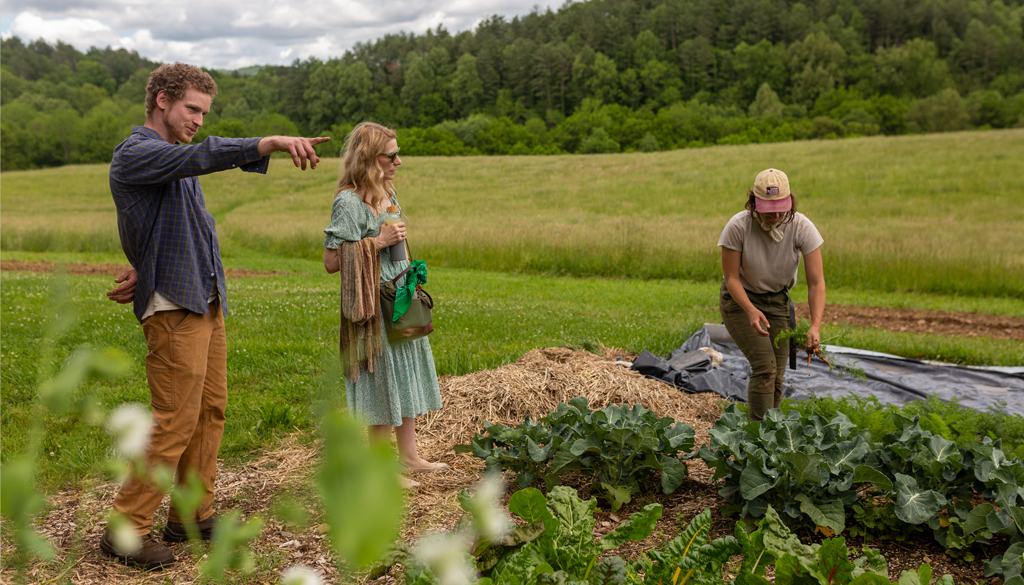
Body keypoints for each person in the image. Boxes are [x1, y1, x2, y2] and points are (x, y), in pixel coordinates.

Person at [102, 62, 329, 570]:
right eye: (192, 109)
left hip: (203, 298)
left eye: (205, 112)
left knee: (209, 413)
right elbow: (201, 158)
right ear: (161, 99)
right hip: (175, 307)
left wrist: (145, 262)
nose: (199, 120)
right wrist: (264, 143)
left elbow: (175, 226)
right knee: (173, 420)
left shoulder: (172, 163)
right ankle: (125, 529)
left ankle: (191, 516)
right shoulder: (137, 153)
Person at [322, 122, 445, 488]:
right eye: (390, 155)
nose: (398, 161)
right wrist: (377, 242)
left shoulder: (387, 192)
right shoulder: (348, 202)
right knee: (383, 378)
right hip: (371, 305)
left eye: (397, 154)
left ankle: (408, 458)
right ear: (367, 158)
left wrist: (409, 270)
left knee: (406, 369)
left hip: (399, 292)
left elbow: (395, 245)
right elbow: (331, 262)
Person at [717, 168, 826, 422]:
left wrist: (816, 325)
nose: (776, 215)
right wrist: (751, 310)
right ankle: (756, 438)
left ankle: (771, 435)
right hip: (740, 300)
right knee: (765, 368)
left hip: (777, 301)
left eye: (781, 208)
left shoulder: (801, 226)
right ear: (754, 203)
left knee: (777, 375)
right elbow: (731, 278)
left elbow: (816, 282)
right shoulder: (738, 226)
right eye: (769, 209)